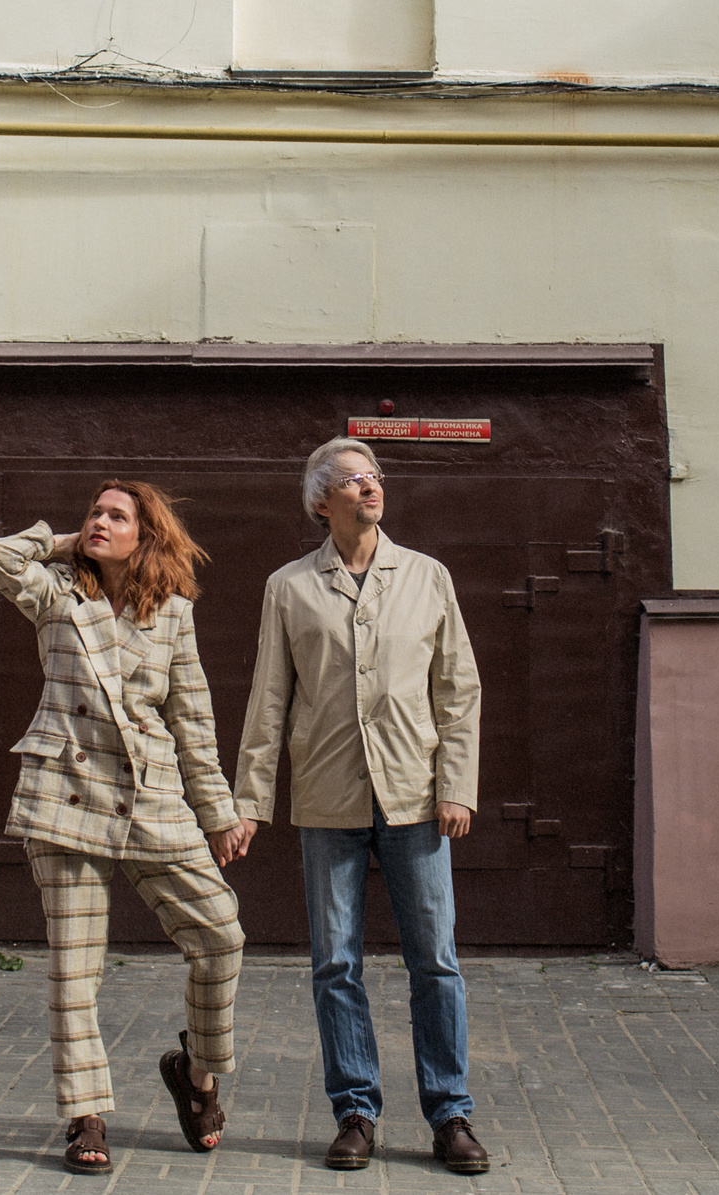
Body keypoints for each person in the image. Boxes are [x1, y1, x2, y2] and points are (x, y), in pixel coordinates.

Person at [220, 438, 489, 1175]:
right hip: (328, 796)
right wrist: (249, 801)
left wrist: (457, 784)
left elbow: (457, 690)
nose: (367, 487)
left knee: (434, 959)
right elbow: (269, 698)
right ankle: (355, 1111)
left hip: (415, 795)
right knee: (335, 961)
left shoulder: (427, 576)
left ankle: (451, 1111)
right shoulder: (290, 586)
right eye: (350, 479)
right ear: (320, 501)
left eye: (373, 476)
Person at [0, 482, 246, 1175]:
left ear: (147, 534)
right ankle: (87, 1114)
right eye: (94, 511)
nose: (99, 520)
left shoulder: (175, 616)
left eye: (116, 515)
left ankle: (197, 1073)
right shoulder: (57, 592)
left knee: (222, 934)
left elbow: (193, 719)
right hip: (66, 794)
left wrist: (217, 811)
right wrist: (66, 543)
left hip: (152, 794)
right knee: (77, 969)